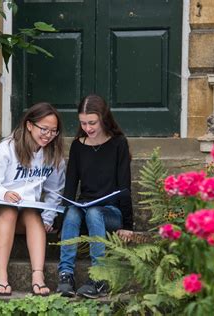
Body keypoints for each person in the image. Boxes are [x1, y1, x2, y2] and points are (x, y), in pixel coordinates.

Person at [0, 102, 65, 296]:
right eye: (44, 129)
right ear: (29, 125)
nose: (48, 135)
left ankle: (38, 276)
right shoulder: (6, 148)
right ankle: (0, 276)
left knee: (34, 215)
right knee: (9, 209)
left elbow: (55, 192)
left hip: (25, 213)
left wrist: (48, 218)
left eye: (53, 131)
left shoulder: (53, 155)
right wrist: (4, 194)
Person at [56, 94, 134, 299]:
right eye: (83, 123)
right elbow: (70, 187)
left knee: (92, 211)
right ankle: (66, 274)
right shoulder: (78, 146)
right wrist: (60, 220)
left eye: (92, 123)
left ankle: (100, 277)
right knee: (74, 211)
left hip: (110, 212)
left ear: (103, 118)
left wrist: (128, 224)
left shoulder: (119, 144)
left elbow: (125, 187)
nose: (87, 128)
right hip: (83, 209)